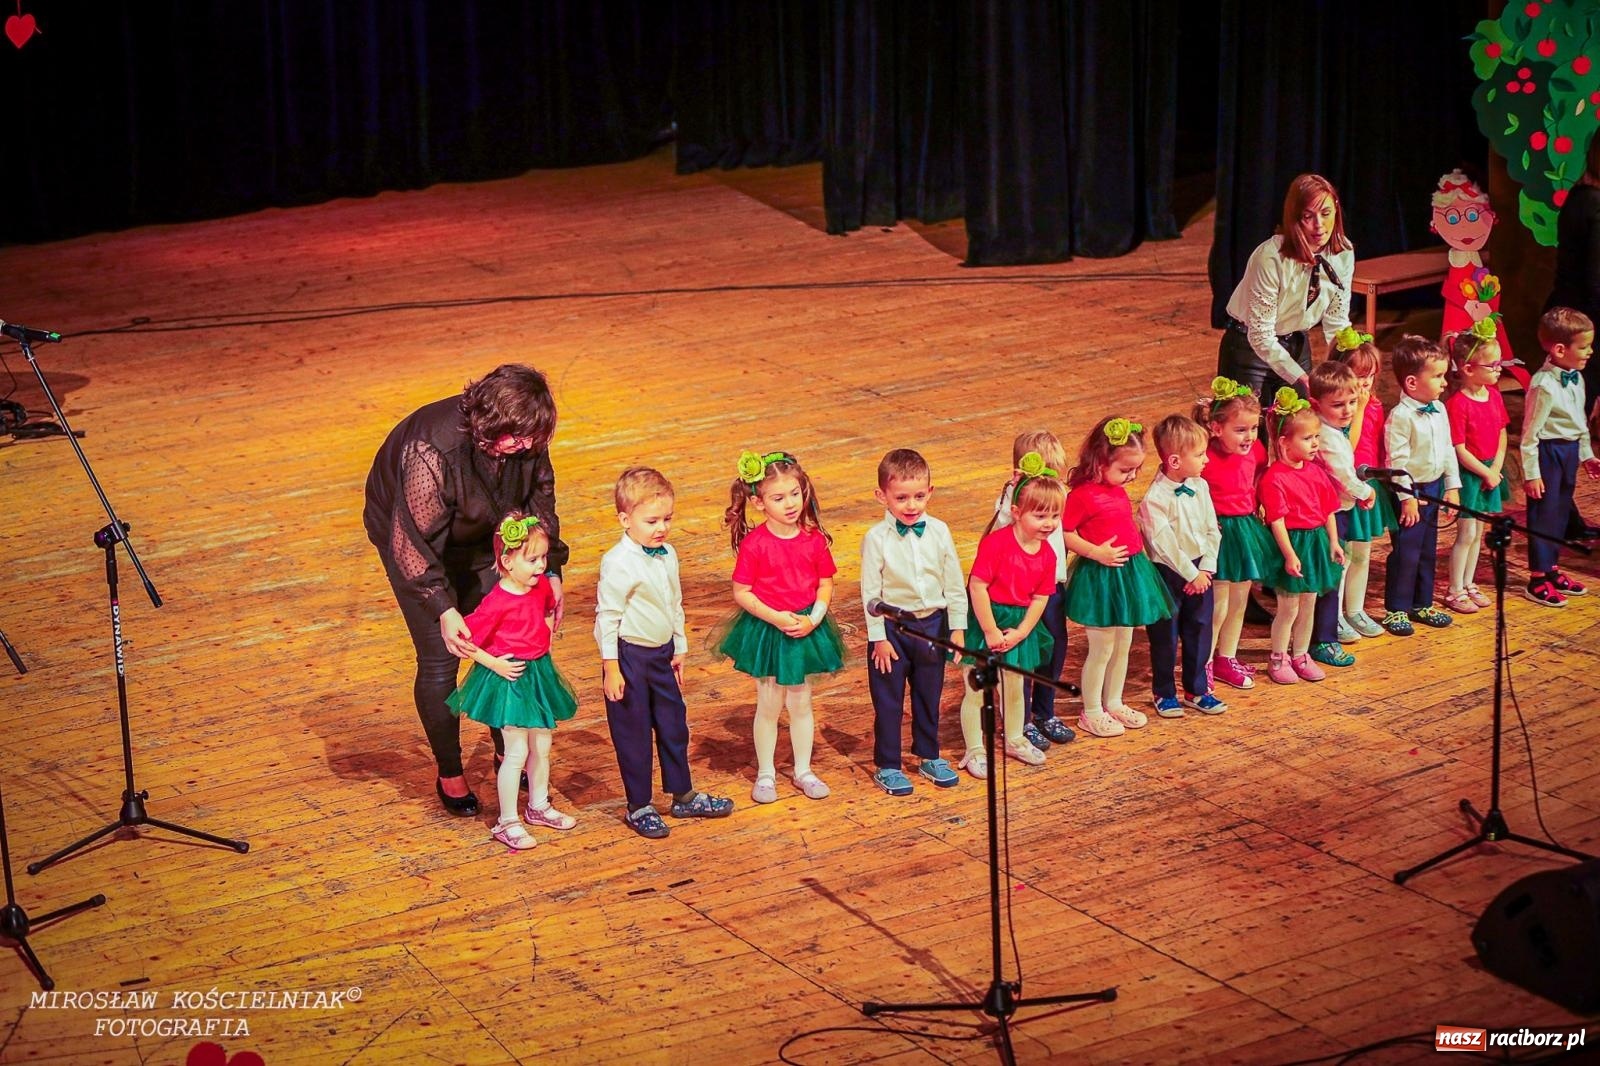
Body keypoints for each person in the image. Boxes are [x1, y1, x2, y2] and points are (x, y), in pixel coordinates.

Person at [363, 364, 569, 817]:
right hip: (410, 538)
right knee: (441, 655)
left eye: (534, 438)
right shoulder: (432, 448)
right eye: (518, 438)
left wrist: (550, 568)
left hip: (488, 534)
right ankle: (450, 770)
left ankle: (505, 752)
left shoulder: (527, 437)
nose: (529, 447)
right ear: (489, 425)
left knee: (506, 641)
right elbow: (413, 540)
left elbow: (540, 503)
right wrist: (441, 604)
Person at [595, 467, 733, 839]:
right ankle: (638, 805)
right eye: (651, 520)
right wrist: (611, 667)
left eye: (667, 519)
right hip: (630, 659)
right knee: (634, 734)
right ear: (625, 519)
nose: (661, 528)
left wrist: (680, 646)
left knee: (674, 725)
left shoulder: (668, 554)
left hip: (662, 654)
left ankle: (682, 794)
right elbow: (607, 617)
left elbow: (675, 602)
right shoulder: (618, 562)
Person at [713, 450, 846, 803]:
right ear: (758, 502)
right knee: (769, 704)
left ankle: (803, 770)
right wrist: (775, 617)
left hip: (805, 627)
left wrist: (813, 619)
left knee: (801, 704)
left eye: (795, 494)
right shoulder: (756, 544)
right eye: (778, 497)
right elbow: (742, 591)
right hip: (770, 631)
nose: (790, 504)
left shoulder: (813, 539)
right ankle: (766, 773)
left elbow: (825, 583)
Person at [445, 513, 577, 850]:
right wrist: (494, 664)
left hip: (537, 674)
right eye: (531, 559)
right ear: (507, 561)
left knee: (542, 747)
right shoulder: (497, 602)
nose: (540, 566)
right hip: (510, 679)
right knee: (516, 751)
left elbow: (549, 609)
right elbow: (467, 640)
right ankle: (507, 821)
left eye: (543, 558)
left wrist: (545, 640)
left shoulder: (542, 586)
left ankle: (538, 805)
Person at [860, 449, 967, 796]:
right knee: (889, 701)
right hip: (892, 629)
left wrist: (958, 627)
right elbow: (869, 592)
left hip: (932, 626)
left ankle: (928, 755)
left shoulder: (939, 531)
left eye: (919, 496)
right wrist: (879, 637)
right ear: (882, 496)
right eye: (901, 497)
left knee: (928, 694)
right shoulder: (876, 538)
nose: (911, 505)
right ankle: (888, 764)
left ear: (930, 492)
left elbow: (953, 581)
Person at [1060, 418, 1173, 738]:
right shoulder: (1082, 495)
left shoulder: (1116, 490)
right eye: (1125, 470)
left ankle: (1114, 700)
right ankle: (1091, 709)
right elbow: (1065, 533)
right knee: (1102, 648)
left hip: (1129, 573)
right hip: (1102, 578)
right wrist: (1096, 552)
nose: (1132, 476)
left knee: (1123, 643)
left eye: (1136, 469)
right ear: (1100, 461)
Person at [957, 462, 1064, 776]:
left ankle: (1015, 738)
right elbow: (977, 586)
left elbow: (1041, 597)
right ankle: (975, 748)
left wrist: (1021, 632)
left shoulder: (1048, 554)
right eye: (1040, 515)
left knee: (1016, 688)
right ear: (1017, 512)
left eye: (1055, 516)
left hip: (1018, 625)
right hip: (986, 617)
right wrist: (990, 630)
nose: (1049, 524)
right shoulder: (996, 544)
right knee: (975, 690)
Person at [1217, 173, 1355, 398]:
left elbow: (1337, 322)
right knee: (1250, 428)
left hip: (1296, 344)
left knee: (1301, 426)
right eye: (1308, 216)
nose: (1319, 225)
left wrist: (1349, 366)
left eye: (1326, 213)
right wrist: (1300, 377)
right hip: (1250, 349)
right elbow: (1261, 336)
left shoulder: (1343, 253)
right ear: (1294, 217)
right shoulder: (1271, 258)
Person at [989, 430, 1078, 751]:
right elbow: (1000, 530)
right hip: (1022, 594)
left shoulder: (1056, 498)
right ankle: (1020, 718)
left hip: (1053, 587)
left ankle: (1045, 710)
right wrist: (1014, 494)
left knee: (1053, 651)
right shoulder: (1012, 503)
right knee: (1024, 657)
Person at [1137, 415, 1225, 718]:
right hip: (1169, 573)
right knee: (1165, 635)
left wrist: (1207, 568)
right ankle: (1164, 692)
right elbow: (1164, 545)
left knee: (1200, 629)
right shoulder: (1154, 500)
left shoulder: (1200, 487)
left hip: (1202, 568)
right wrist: (1190, 574)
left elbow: (1212, 529)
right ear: (1175, 460)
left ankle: (1197, 690)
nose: (1206, 460)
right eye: (1199, 454)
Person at [1257, 391, 1346, 684]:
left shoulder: (1316, 473)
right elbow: (1277, 521)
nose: (1315, 444)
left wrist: (1333, 542)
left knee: (1309, 603)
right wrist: (1289, 555)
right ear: (1285, 442)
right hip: (1294, 545)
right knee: (1289, 606)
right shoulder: (1274, 478)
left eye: (1316, 437)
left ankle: (1301, 654)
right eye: (1307, 438)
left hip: (1316, 542)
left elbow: (1329, 511)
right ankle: (1279, 656)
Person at [1381, 336, 1460, 636]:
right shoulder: (1400, 417)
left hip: (1435, 486)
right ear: (1412, 382)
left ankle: (1421, 603)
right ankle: (1396, 609)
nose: (1444, 383)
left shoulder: (1439, 409)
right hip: (1411, 493)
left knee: (1428, 549)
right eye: (1438, 376)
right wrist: (1407, 498)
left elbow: (1448, 448)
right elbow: (1396, 462)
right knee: (1407, 552)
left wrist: (1452, 485)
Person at [1198, 379, 1273, 690]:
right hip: (1219, 532)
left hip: (1245, 527)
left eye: (1253, 429)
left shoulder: (1254, 450)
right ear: (1216, 427)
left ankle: (1226, 656)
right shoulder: (1204, 457)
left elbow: (1256, 475)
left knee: (1241, 598)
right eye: (1240, 430)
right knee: (1219, 604)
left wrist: (1259, 503)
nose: (1249, 436)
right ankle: (1203, 661)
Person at [1522, 308, 1600, 606]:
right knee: (1543, 514)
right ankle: (1537, 577)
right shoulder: (1544, 385)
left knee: (1560, 512)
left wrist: (1586, 455)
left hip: (1568, 452)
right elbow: (1530, 433)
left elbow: (1579, 422)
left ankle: (1552, 568)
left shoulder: (1576, 379)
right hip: (1548, 452)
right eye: (1583, 346)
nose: (1590, 352)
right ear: (1559, 349)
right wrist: (1531, 473)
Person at [1327, 332, 1396, 637]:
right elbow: (1348, 448)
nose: (1365, 382)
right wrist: (1359, 410)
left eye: (1371, 375)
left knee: (1364, 551)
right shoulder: (1339, 414)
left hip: (1369, 487)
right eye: (1359, 375)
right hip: (1345, 487)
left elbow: (1378, 445)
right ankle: (1336, 615)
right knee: (1344, 556)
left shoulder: (1375, 406)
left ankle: (1355, 609)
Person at [1443, 320, 1510, 614]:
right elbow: (1457, 448)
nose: (1498, 369)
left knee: (1479, 534)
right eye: (1492, 365)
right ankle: (1454, 590)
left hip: (1489, 472)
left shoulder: (1494, 395)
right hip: (1471, 475)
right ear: (1468, 368)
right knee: (1466, 534)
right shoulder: (1458, 404)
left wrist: (1495, 467)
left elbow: (1502, 432)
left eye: (1499, 363)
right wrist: (1485, 472)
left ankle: (1469, 583)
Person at [1305, 360, 1367, 667]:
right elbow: (1342, 474)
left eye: (1353, 402)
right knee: (1330, 576)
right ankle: (1323, 639)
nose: (1348, 411)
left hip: (1337, 510)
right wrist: (1365, 492)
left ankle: (1327, 632)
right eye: (1338, 405)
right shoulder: (1326, 436)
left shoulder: (1332, 429)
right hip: (1328, 515)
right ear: (1316, 404)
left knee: (1335, 572)